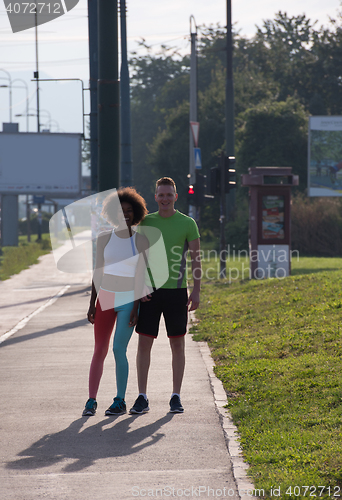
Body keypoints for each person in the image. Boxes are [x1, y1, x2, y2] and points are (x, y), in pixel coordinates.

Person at [129, 177, 201, 415]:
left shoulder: (188, 223)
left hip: (177, 292)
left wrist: (197, 291)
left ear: (176, 197)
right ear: (155, 196)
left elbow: (196, 260)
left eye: (169, 194)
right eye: (161, 195)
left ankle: (176, 396)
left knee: (177, 344)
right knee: (144, 344)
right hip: (150, 293)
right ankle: (142, 396)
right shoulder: (146, 222)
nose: (165, 199)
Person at [82, 187, 148, 417]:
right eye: (120, 211)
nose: (125, 214)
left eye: (129, 211)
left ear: (135, 213)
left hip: (128, 300)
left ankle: (119, 400)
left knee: (119, 349)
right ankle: (91, 400)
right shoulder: (103, 239)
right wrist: (92, 304)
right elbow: (97, 273)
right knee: (99, 349)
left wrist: (137, 307)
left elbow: (141, 275)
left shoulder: (140, 240)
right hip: (106, 298)